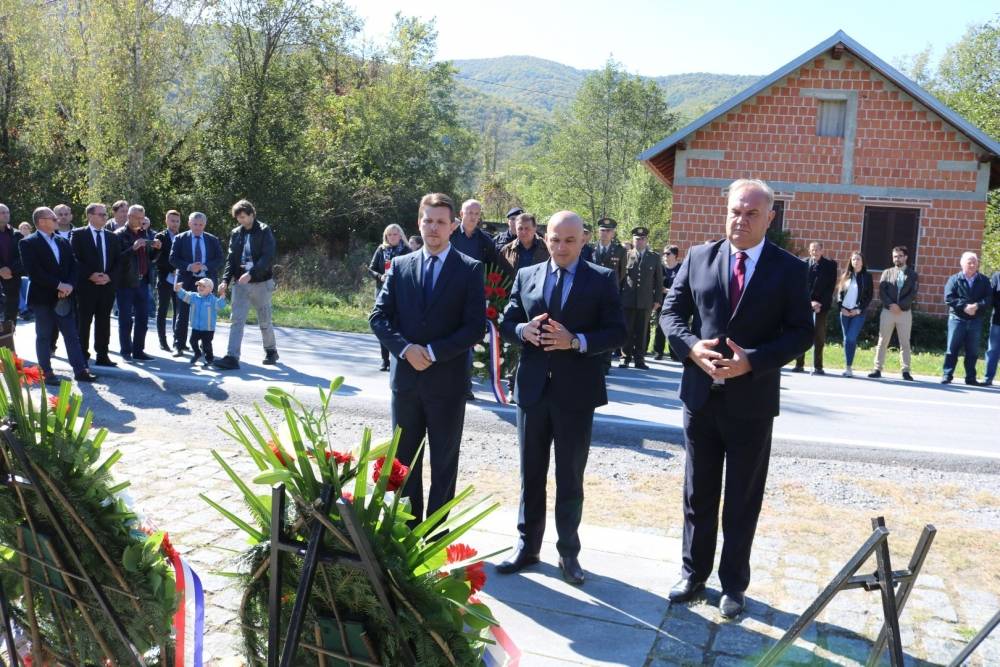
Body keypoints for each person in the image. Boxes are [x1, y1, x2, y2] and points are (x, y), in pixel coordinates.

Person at [659, 178, 813, 619]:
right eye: (734, 211)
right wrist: (692, 347)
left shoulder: (789, 269)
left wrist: (754, 361)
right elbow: (671, 313)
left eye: (751, 214)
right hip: (700, 399)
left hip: (751, 403)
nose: (740, 221)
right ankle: (693, 574)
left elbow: (801, 332)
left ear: (769, 218)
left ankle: (733, 585)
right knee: (698, 493)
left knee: (743, 499)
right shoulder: (699, 257)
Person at [496, 211, 626, 586]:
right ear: (545, 238)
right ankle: (527, 546)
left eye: (570, 240)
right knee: (530, 474)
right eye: (555, 239)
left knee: (570, 477)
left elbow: (617, 332)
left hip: (576, 394)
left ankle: (568, 553)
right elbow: (506, 322)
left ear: (583, 239)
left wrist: (577, 341)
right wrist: (523, 330)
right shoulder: (527, 275)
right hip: (533, 391)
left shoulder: (601, 279)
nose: (561, 247)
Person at [369, 193, 486, 526]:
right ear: (419, 223)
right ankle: (406, 532)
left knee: (444, 462)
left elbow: (474, 327)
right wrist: (406, 349)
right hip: (406, 382)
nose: (434, 228)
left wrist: (433, 352)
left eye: (440, 222)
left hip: (447, 383)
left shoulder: (469, 269)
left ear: (452, 226)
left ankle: (435, 536)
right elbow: (378, 317)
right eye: (428, 221)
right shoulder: (400, 266)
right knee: (404, 462)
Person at [19, 207, 98, 385]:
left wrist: (69, 285)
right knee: (44, 336)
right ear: (41, 222)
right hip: (43, 298)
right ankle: (46, 372)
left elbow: (74, 265)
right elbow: (34, 271)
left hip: (64, 297)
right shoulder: (28, 243)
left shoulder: (62, 241)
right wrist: (58, 285)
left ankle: (80, 371)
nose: (58, 221)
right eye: (53, 218)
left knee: (71, 335)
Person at [214, 200, 278, 370]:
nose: (240, 220)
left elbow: (267, 256)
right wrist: (225, 280)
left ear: (251, 214)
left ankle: (271, 351)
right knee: (237, 320)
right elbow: (231, 259)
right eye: (238, 218)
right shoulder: (236, 233)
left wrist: (251, 273)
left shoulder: (264, 230)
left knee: (264, 319)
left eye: (243, 217)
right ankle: (232, 357)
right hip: (240, 283)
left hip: (261, 282)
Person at [71, 203, 119, 367]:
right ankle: (82, 355)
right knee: (84, 322)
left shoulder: (112, 237)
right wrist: (90, 275)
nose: (105, 217)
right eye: (101, 214)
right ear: (90, 216)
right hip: (86, 286)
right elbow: (74, 258)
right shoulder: (78, 234)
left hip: (106, 286)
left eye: (105, 214)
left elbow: (118, 261)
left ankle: (102, 355)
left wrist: (109, 276)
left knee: (104, 322)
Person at [170, 212, 224, 357]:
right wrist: (189, 266)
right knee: (182, 313)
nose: (198, 227)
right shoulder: (180, 238)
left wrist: (205, 266)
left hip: (207, 282)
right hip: (186, 281)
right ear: (189, 223)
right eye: (195, 224)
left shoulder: (212, 239)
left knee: (207, 315)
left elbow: (220, 259)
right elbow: (173, 258)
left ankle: (205, 346)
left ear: (204, 225)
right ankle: (179, 345)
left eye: (201, 225)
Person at [114, 204, 159, 361]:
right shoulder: (119, 234)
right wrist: (132, 249)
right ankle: (126, 351)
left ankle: (138, 351)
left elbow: (151, 258)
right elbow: (116, 260)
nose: (140, 221)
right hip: (125, 283)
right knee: (126, 319)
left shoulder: (145, 233)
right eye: (137, 218)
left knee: (143, 319)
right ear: (129, 217)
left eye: (142, 218)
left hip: (143, 282)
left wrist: (157, 249)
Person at [868, 246, 918, 381]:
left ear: (905, 257)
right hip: (888, 311)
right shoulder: (887, 273)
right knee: (882, 341)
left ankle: (906, 371)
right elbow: (882, 291)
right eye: (895, 256)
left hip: (904, 313)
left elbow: (913, 293)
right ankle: (877, 369)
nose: (897, 259)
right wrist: (891, 305)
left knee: (905, 342)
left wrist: (900, 306)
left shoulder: (913, 275)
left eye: (900, 256)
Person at [942, 252, 990, 385]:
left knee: (972, 351)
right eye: (969, 262)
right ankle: (947, 375)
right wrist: (964, 307)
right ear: (962, 263)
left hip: (975, 321)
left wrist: (977, 305)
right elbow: (948, 297)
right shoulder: (954, 279)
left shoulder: (984, 280)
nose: (972, 265)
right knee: (952, 349)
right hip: (957, 319)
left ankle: (970, 378)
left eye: (975, 262)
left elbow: (988, 299)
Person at [368, 223, 411, 371]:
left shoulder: (407, 251)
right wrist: (380, 277)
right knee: (383, 325)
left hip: (401, 293)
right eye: (389, 234)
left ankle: (398, 357)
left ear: (400, 236)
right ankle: (384, 360)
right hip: (382, 292)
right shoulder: (381, 250)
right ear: (386, 236)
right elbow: (371, 269)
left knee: (398, 325)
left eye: (395, 234)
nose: (392, 237)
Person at [619, 227, 662, 370]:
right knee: (627, 329)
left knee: (642, 331)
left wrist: (657, 300)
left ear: (646, 240)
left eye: (642, 239)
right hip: (628, 299)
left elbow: (658, 280)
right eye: (637, 239)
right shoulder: (626, 255)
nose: (640, 241)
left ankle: (639, 359)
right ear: (633, 240)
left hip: (645, 300)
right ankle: (625, 357)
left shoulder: (654, 257)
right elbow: (621, 278)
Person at [793, 241, 837, 375]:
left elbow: (830, 288)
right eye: (812, 249)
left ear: (822, 251)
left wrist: (819, 303)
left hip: (821, 307)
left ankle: (818, 366)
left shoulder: (830, 265)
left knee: (819, 336)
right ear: (809, 251)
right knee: (801, 334)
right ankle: (799, 364)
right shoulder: (803, 264)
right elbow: (799, 286)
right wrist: (809, 302)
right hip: (804, 305)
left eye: (817, 249)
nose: (815, 252)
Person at [592, 218, 628, 373]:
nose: (605, 233)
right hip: (591, 294)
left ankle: (605, 363)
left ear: (613, 233)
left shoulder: (620, 251)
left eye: (608, 231)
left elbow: (622, 273)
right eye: (602, 230)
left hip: (610, 294)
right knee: (593, 326)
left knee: (607, 327)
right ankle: (593, 360)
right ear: (598, 232)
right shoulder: (590, 249)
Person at [835, 251, 873, 377]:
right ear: (851, 262)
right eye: (854, 259)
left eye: (858, 259)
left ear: (862, 262)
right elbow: (839, 294)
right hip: (845, 312)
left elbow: (869, 296)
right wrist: (841, 308)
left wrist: (859, 309)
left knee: (851, 338)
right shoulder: (846, 275)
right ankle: (848, 368)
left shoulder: (867, 277)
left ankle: (849, 366)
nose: (856, 261)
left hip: (858, 313)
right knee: (847, 340)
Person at [175, 277, 228, 367]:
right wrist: (179, 289)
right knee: (192, 341)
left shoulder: (212, 299)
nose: (200, 287)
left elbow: (220, 305)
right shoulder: (193, 297)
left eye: (204, 286)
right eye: (199, 285)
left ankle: (209, 359)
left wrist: (222, 295)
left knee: (206, 345)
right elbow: (184, 295)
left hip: (208, 329)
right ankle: (197, 353)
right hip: (196, 327)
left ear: (210, 289)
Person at [153, 210, 181, 351]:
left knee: (179, 310)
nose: (175, 224)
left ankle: (178, 340)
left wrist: (180, 269)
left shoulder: (183, 236)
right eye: (172, 220)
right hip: (165, 278)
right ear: (166, 221)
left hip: (179, 279)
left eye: (177, 221)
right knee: (162, 310)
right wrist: (172, 268)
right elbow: (157, 259)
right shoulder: (160, 237)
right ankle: (162, 341)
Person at [653, 245, 681, 361]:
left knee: (675, 327)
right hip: (661, 301)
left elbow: (683, 285)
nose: (665, 256)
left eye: (668, 253)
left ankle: (675, 353)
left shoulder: (681, 268)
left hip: (676, 302)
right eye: (664, 253)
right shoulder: (660, 268)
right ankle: (658, 352)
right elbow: (654, 283)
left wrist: (668, 290)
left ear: (675, 255)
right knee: (660, 327)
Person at [0, 204, 23, 335]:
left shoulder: (17, 234)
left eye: (7, 212)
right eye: (2, 212)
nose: (5, 215)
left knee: (11, 314)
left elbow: (23, 257)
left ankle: (8, 343)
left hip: (12, 278)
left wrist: (10, 270)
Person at [985, 269, 1000, 387]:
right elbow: (991, 297)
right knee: (993, 351)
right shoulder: (997, 276)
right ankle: (988, 378)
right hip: (997, 320)